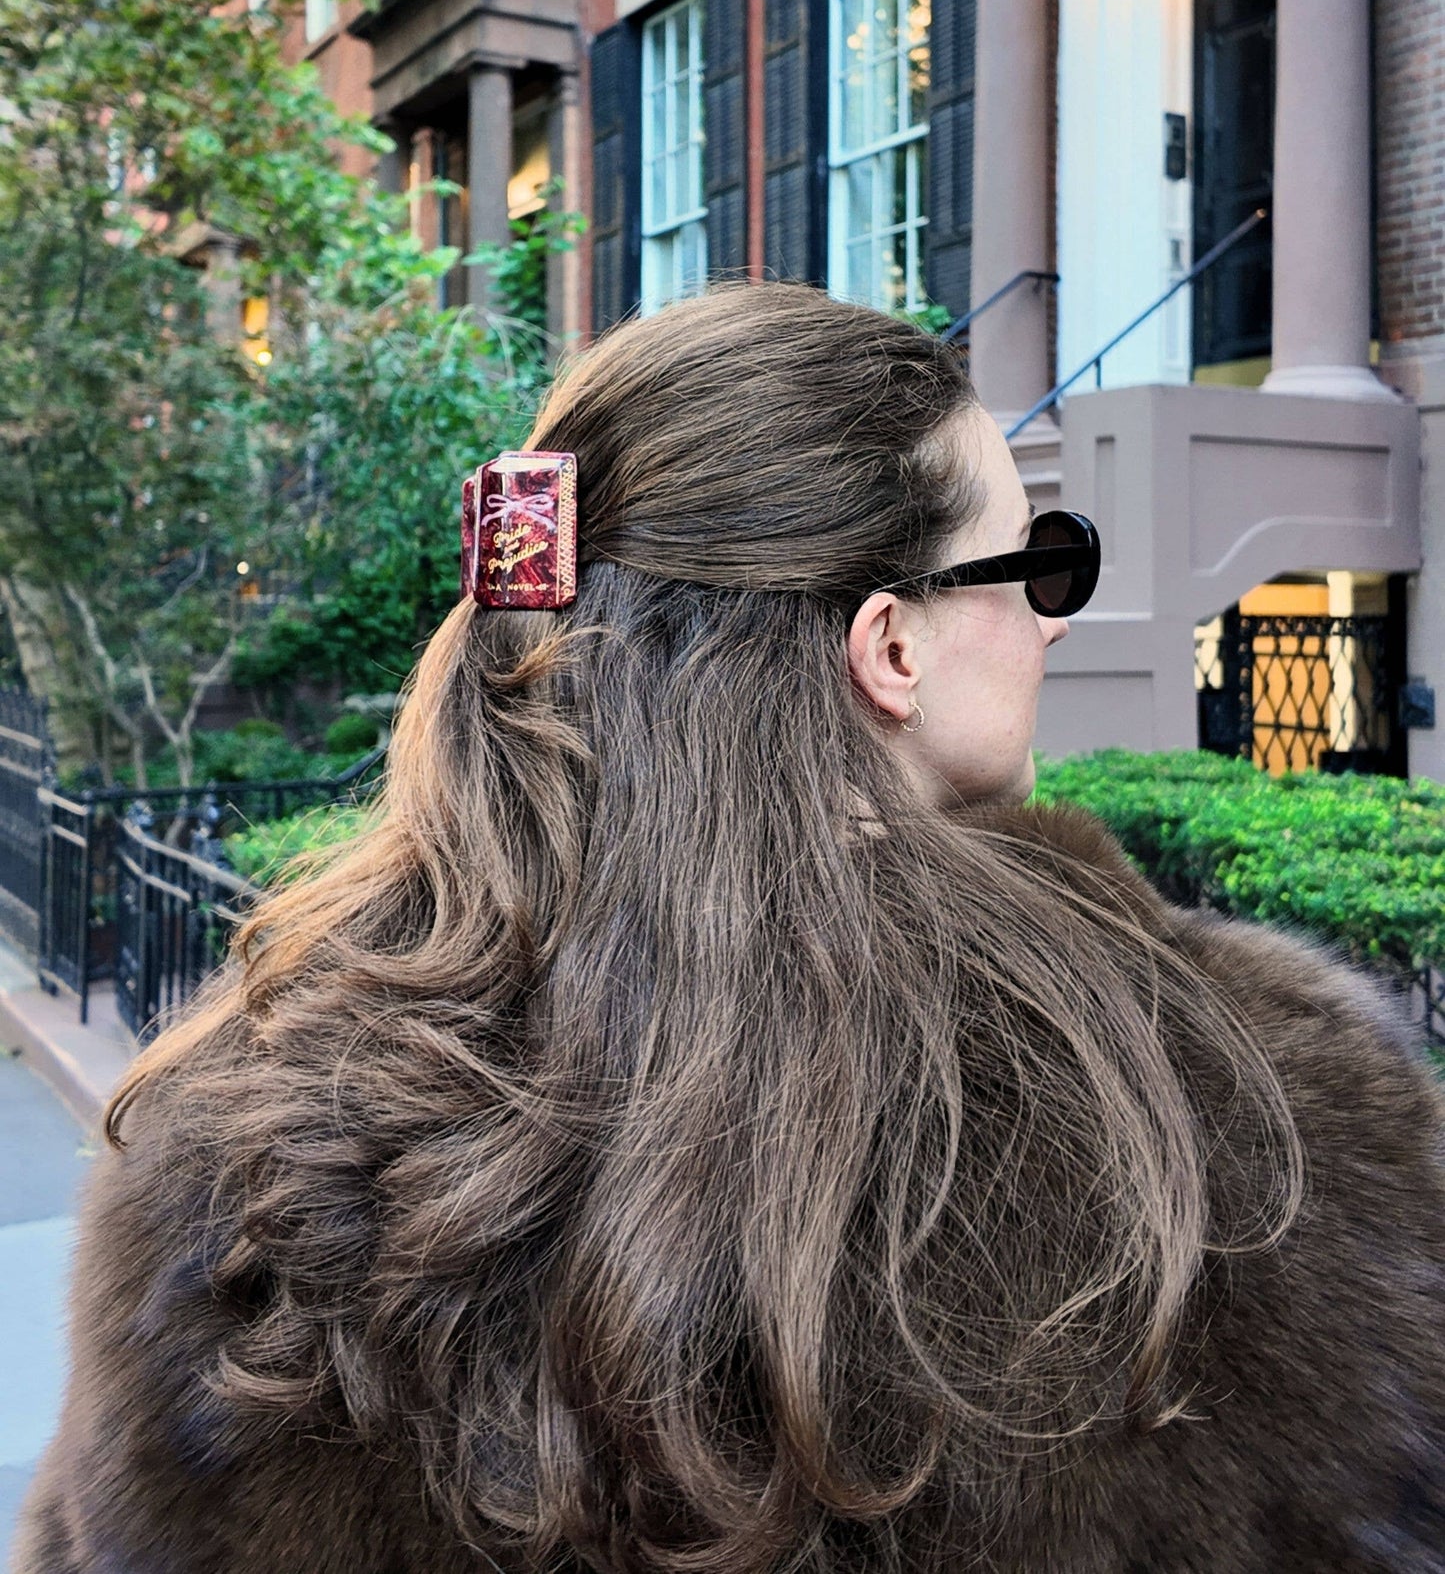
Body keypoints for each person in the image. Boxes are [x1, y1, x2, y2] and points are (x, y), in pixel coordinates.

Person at [14, 283, 1444, 1574]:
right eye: (1036, 561)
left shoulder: (223, 1159)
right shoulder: (1263, 1118)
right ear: (888, 645)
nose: (1054, 621)